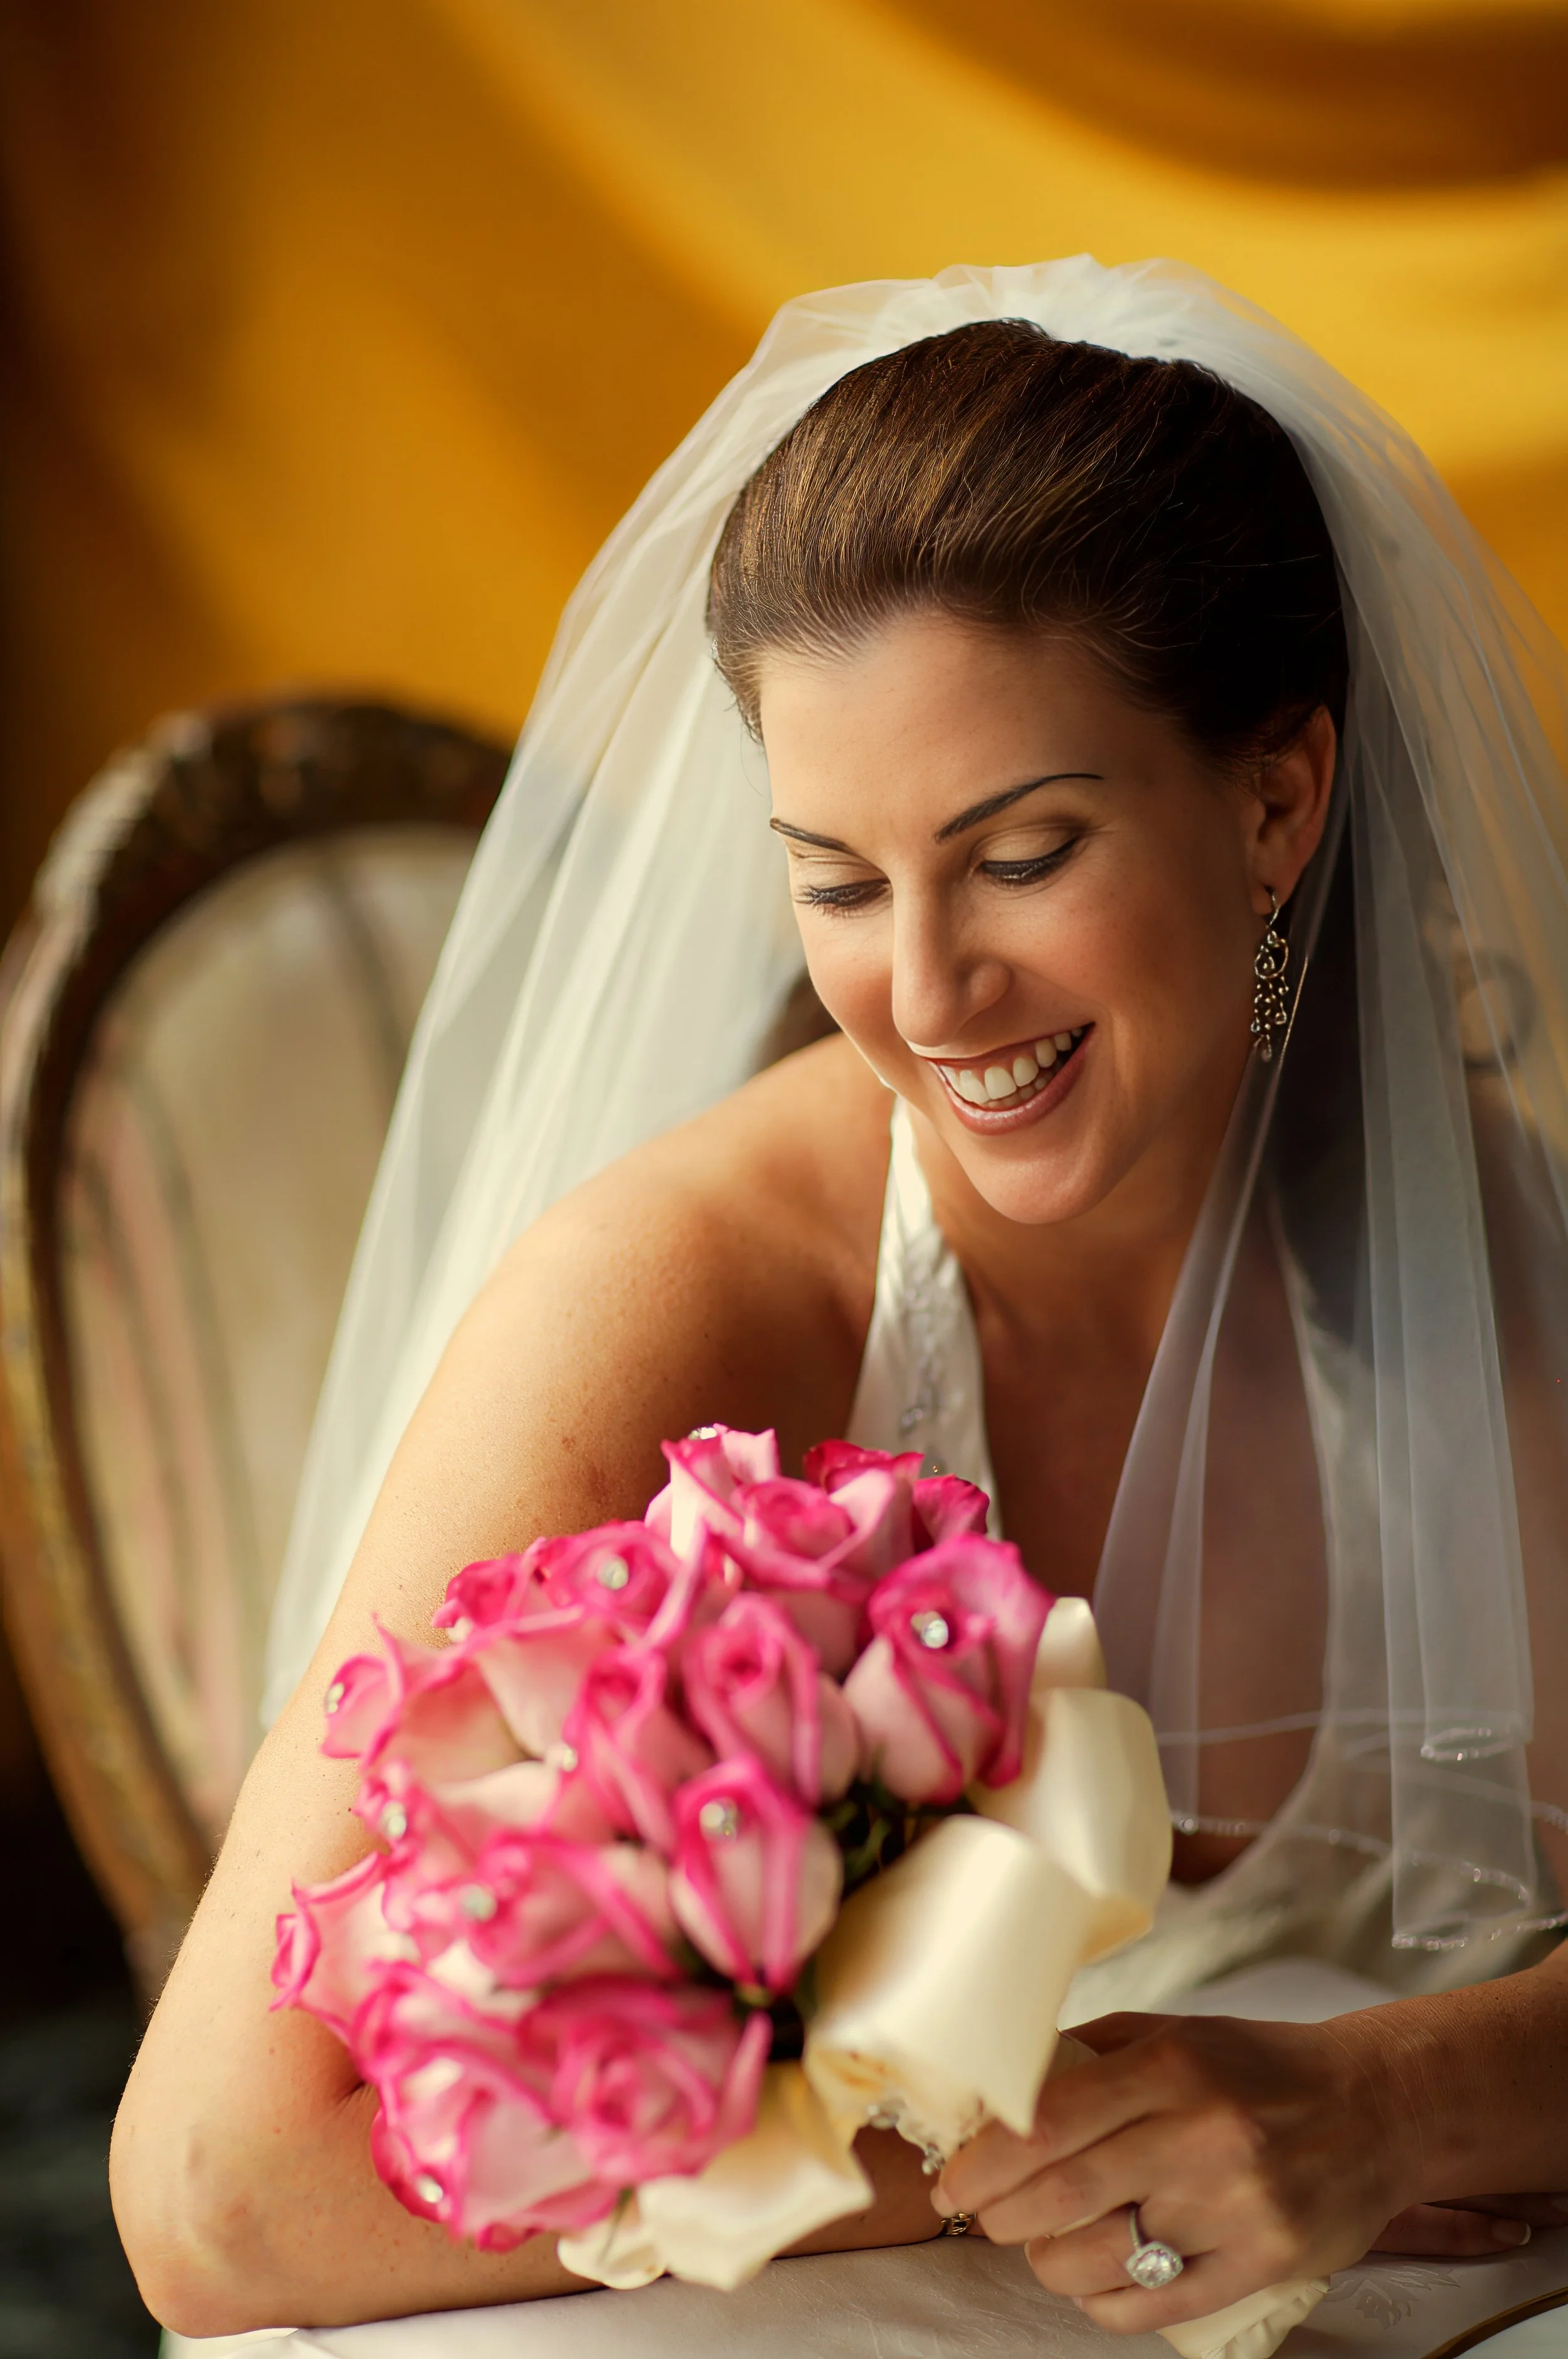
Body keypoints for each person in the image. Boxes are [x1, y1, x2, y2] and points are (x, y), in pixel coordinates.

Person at [111, 262, 1568, 2349]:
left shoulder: (1460, 1229)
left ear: (1273, 801)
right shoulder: (680, 1292)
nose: (929, 989)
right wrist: (1040, 2153)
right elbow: (219, 2194)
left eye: (1021, 852)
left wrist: (1387, 2100)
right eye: (839, 880)